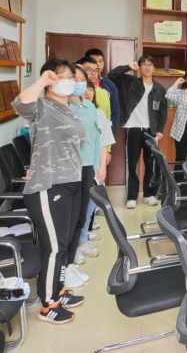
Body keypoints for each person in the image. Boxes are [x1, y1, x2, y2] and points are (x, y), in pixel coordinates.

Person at [12, 60, 86, 324]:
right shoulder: (41, 106)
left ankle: (58, 290)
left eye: (71, 76)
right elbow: (21, 104)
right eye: (61, 76)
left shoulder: (70, 107)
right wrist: (43, 80)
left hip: (72, 181)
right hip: (48, 184)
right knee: (54, 247)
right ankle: (48, 304)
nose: (68, 81)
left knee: (64, 244)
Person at [64, 66, 107, 289]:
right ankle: (65, 265)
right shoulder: (63, 106)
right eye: (76, 78)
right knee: (70, 217)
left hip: (88, 165)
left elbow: (96, 140)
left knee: (81, 214)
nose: (80, 83)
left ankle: (70, 261)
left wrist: (98, 165)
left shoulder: (90, 107)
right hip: (69, 168)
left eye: (83, 79)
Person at [109, 56, 167, 209]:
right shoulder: (130, 82)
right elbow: (112, 75)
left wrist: (160, 130)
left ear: (154, 69)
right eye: (144, 65)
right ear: (139, 68)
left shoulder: (159, 89)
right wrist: (128, 66)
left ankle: (149, 195)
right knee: (131, 164)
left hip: (151, 131)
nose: (147, 67)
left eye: (150, 65)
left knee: (151, 164)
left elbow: (162, 112)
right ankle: (131, 196)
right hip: (133, 129)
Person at [78, 80, 114, 261]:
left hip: (95, 167)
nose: (87, 93)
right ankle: (75, 246)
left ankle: (83, 240)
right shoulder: (73, 112)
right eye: (84, 89)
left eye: (90, 89)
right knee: (78, 209)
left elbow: (104, 141)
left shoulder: (99, 113)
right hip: (78, 167)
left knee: (89, 207)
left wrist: (102, 167)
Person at [84, 49, 120, 134]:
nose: (98, 64)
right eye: (94, 61)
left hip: (104, 132)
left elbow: (115, 111)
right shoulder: (79, 86)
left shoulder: (109, 84)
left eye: (100, 61)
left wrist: (111, 130)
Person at [76, 56, 112, 127]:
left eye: (96, 70)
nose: (93, 73)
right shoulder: (74, 93)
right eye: (89, 70)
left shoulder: (104, 93)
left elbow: (107, 120)